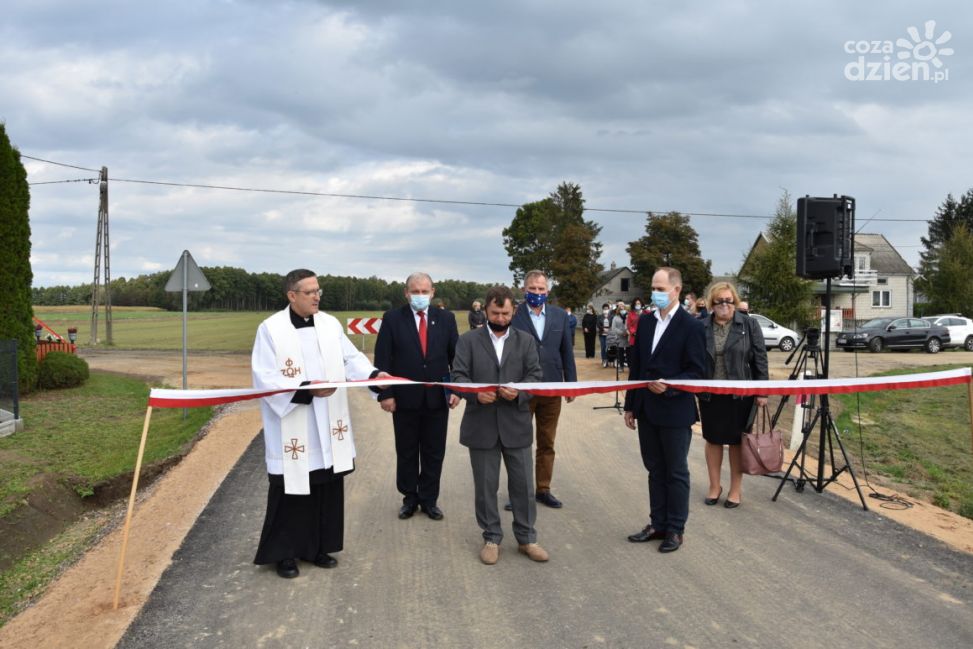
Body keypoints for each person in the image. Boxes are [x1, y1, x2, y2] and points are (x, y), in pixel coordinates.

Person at [251, 269, 390, 578]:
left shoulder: (329, 325)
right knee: (292, 489)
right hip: (295, 419)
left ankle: (319, 548)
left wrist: (372, 376)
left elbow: (351, 359)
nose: (316, 296)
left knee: (325, 485)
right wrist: (305, 389)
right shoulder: (271, 329)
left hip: (328, 420)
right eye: (309, 292)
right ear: (292, 295)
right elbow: (264, 376)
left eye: (318, 291)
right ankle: (285, 554)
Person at [451, 285, 547, 564]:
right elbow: (457, 376)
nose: (501, 318)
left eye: (506, 313)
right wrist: (474, 393)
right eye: (496, 313)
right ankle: (491, 537)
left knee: (524, 486)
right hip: (481, 426)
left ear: (513, 311)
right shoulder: (468, 341)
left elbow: (535, 377)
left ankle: (527, 538)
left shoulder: (526, 341)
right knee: (485, 487)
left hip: (516, 424)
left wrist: (520, 392)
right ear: (486, 311)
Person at [623, 267, 707, 554]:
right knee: (655, 470)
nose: (655, 294)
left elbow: (698, 372)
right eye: (653, 288)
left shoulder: (692, 326)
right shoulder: (645, 323)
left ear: (676, 290)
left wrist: (670, 388)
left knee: (676, 471)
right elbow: (637, 367)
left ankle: (675, 528)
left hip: (675, 411)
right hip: (646, 409)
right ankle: (657, 523)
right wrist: (630, 405)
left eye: (661, 289)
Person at [374, 272, 460, 521]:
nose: (420, 296)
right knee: (407, 450)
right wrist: (386, 394)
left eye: (424, 291)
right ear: (406, 293)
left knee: (434, 451)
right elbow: (383, 359)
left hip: (437, 400)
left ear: (433, 292)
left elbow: (457, 358)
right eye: (415, 291)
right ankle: (409, 498)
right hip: (404, 400)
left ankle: (429, 499)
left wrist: (455, 390)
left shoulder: (446, 319)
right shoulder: (392, 319)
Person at [508, 269, 577, 509]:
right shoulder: (514, 316)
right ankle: (518, 492)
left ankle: (543, 489)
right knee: (519, 442)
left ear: (547, 291)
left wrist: (571, 385)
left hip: (551, 389)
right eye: (532, 289)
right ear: (524, 290)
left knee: (547, 441)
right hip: (523, 389)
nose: (537, 293)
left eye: (541, 289)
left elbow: (566, 351)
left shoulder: (560, 316)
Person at [699, 283, 768, 508]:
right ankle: (714, 486)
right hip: (710, 394)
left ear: (735, 302)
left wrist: (762, 391)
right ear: (712, 303)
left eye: (729, 300)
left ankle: (735, 490)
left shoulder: (749, 325)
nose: (724, 305)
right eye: (719, 301)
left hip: (740, 395)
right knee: (713, 440)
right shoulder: (701, 326)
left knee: (738, 442)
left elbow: (760, 359)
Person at [607, 300, 629, 369]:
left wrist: (627, 332)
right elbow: (614, 328)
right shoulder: (615, 317)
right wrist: (621, 333)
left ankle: (630, 366)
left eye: (623, 305)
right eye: (620, 306)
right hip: (620, 337)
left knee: (629, 352)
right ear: (618, 308)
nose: (622, 307)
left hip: (628, 336)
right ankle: (621, 366)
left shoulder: (628, 315)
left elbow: (631, 324)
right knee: (620, 352)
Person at [598, 303, 613, 367]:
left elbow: (612, 324)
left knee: (609, 348)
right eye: (604, 309)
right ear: (603, 309)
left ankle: (610, 360)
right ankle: (604, 360)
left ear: (609, 309)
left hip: (609, 335)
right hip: (602, 334)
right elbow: (598, 324)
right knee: (603, 347)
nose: (605, 310)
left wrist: (609, 329)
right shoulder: (600, 316)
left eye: (607, 309)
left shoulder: (611, 317)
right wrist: (603, 329)